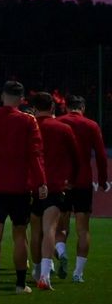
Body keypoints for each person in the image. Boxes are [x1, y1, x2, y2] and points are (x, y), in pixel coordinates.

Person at [0, 80, 47, 297]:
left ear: (2, 96)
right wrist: (41, 182)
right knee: (20, 234)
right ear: (21, 99)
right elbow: (35, 155)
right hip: (19, 188)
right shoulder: (28, 121)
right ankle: (20, 284)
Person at [29, 92, 81, 290]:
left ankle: (35, 270)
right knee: (50, 228)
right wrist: (72, 181)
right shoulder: (63, 128)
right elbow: (77, 159)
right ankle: (44, 275)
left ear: (34, 107)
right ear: (52, 107)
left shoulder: (29, 126)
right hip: (55, 185)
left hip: (32, 186)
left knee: (34, 231)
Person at [57, 95, 110, 282]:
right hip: (83, 182)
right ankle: (78, 274)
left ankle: (61, 252)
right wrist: (103, 180)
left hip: (62, 182)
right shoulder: (91, 125)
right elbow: (102, 156)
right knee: (83, 229)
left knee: (60, 226)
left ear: (66, 108)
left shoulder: (59, 122)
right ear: (83, 107)